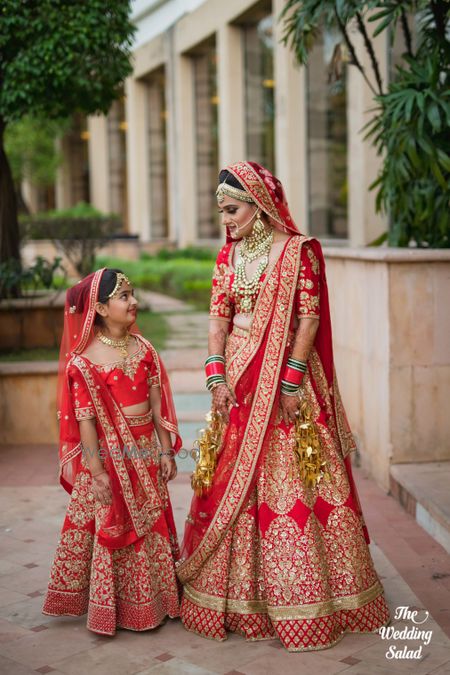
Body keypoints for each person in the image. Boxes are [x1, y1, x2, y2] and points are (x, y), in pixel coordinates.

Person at [177, 161, 390, 651]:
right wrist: (215, 374)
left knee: (292, 479)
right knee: (232, 475)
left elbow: (309, 320)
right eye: (221, 212)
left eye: (231, 210)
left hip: (287, 378)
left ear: (260, 204)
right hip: (238, 377)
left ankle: (309, 597)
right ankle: (234, 595)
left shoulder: (299, 252)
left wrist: (292, 383)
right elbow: (218, 317)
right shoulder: (227, 258)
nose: (225, 221)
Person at [43, 268, 181, 635]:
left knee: (150, 522)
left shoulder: (145, 348)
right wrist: (98, 472)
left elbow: (157, 405)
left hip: (146, 453)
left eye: (132, 293)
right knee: (114, 522)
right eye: (124, 296)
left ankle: (158, 599)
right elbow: (85, 423)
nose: (133, 302)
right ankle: (115, 606)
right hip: (108, 460)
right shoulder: (84, 362)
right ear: (101, 308)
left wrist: (166, 452)